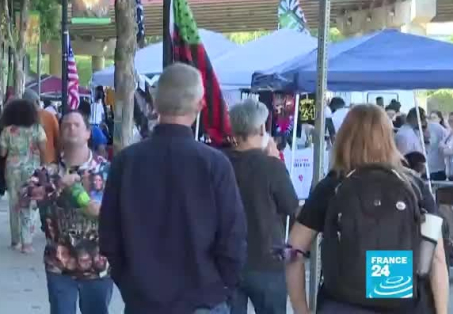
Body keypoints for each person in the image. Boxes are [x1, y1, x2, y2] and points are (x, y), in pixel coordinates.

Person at [100, 63, 247, 314]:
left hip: (144, 300)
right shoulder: (215, 164)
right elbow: (233, 238)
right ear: (200, 105)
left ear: (155, 104)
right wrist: (221, 287)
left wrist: (130, 284)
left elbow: (109, 236)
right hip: (202, 298)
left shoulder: (126, 162)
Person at [285, 104, 449, 314]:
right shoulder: (414, 186)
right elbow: (437, 259)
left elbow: (293, 251)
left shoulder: (331, 186)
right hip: (406, 305)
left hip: (341, 305)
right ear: (388, 138)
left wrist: (301, 309)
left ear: (345, 138)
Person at [22, 111, 114, 314]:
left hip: (98, 265)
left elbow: (126, 208)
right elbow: (24, 197)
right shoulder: (49, 172)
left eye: (76, 125)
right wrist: (59, 184)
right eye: (66, 125)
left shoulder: (107, 170)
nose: (71, 128)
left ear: (88, 133)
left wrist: (103, 212)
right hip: (59, 265)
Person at [226, 99, 299, 314]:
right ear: (260, 129)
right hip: (267, 260)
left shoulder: (219, 162)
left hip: (227, 259)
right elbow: (291, 207)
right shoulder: (271, 166)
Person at [0, 98, 48, 253]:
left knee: (14, 204)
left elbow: (2, 153)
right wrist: (44, 167)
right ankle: (27, 242)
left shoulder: (7, 130)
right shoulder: (37, 129)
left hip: (12, 170)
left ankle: (16, 241)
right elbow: (44, 150)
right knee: (30, 203)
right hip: (32, 169)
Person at [397, 107, 447, 181]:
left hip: (420, 172)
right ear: (415, 118)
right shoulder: (405, 134)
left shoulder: (414, 131)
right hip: (411, 173)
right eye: (422, 119)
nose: (424, 121)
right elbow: (406, 157)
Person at [24, 89, 60, 165]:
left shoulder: (19, 119)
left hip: (28, 163)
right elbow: (58, 140)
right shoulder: (49, 116)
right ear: (37, 102)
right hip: (48, 161)